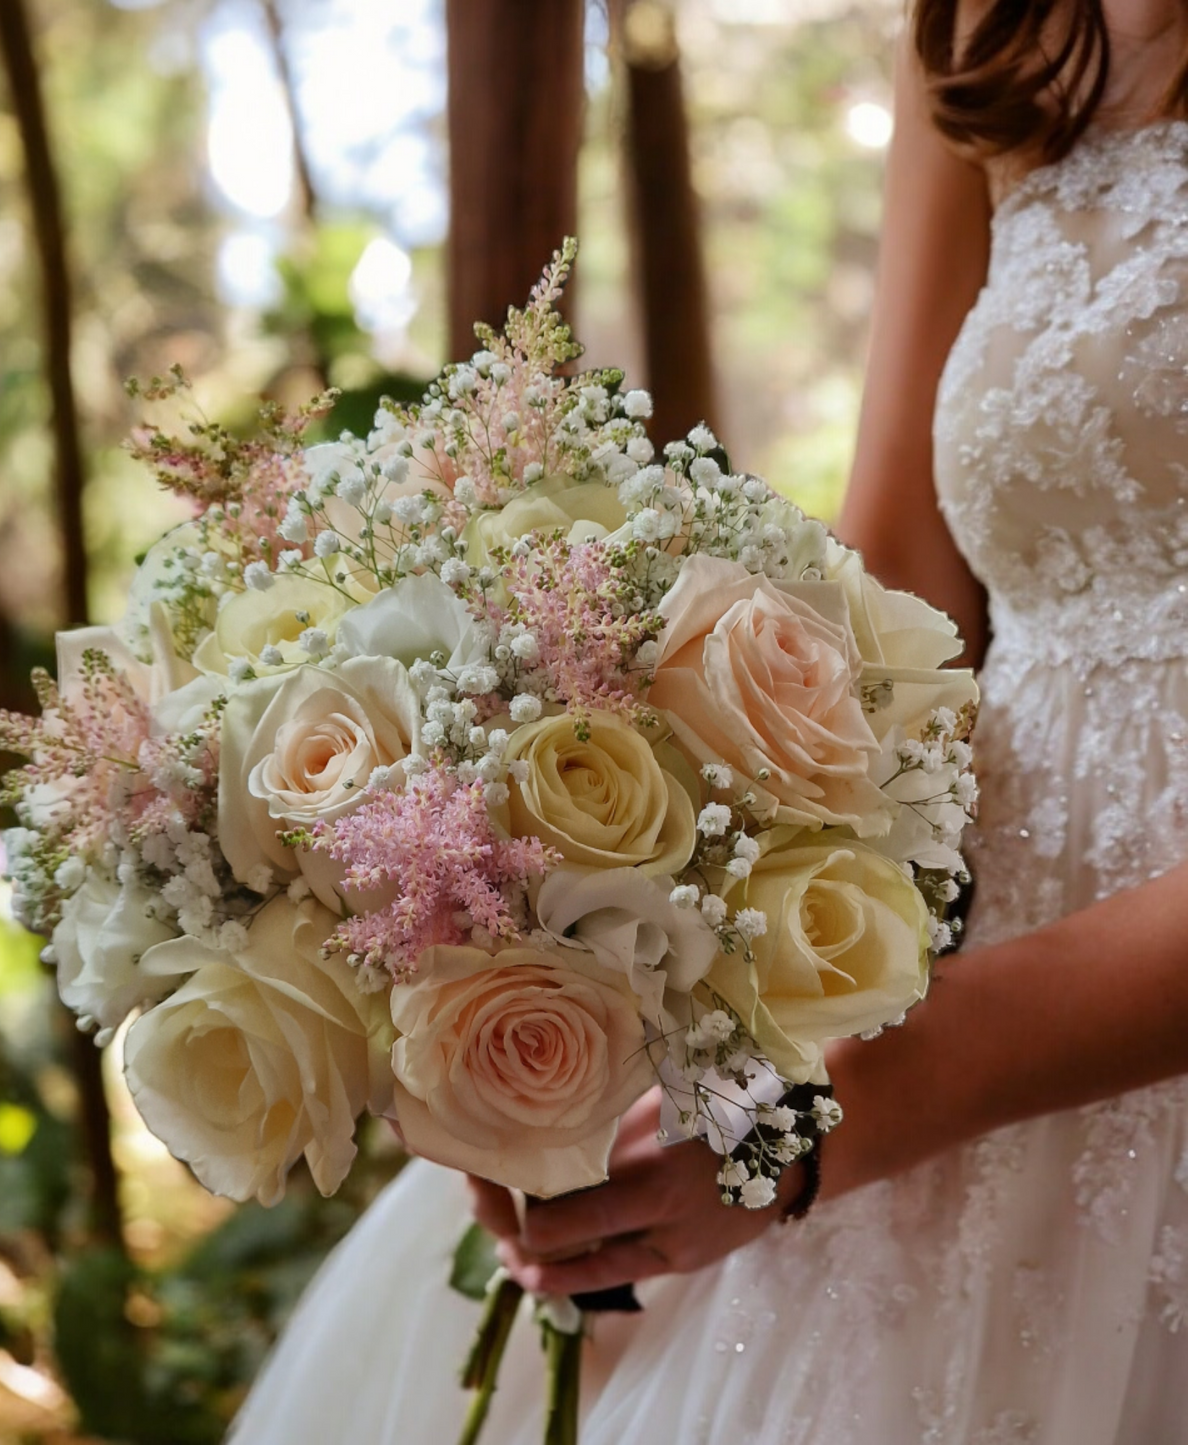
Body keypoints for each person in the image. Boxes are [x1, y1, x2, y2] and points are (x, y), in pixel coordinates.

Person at [228, 2, 1188, 1439]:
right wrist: (657, 946)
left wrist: (847, 1108)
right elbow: (901, 583)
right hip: (936, 951)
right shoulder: (1000, 26)